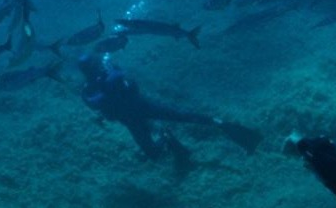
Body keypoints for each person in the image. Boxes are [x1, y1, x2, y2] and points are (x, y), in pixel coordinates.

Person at [77, 54, 262, 162]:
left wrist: (92, 94)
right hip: (135, 116)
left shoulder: (106, 77)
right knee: (155, 149)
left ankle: (220, 124)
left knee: (181, 117)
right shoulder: (99, 81)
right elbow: (98, 100)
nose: (89, 71)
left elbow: (99, 100)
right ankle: (167, 137)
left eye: (89, 67)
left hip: (141, 110)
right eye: (87, 68)